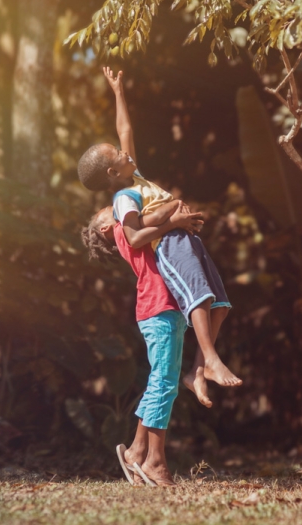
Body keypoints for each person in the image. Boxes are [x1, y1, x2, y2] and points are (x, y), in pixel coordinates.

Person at [78, 67, 241, 409]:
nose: (127, 154)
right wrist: (174, 221)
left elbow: (125, 129)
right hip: (170, 244)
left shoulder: (134, 177)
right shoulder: (123, 199)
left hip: (187, 239)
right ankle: (209, 359)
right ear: (112, 172)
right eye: (119, 156)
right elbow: (136, 238)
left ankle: (197, 370)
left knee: (220, 305)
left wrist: (119, 92)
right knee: (198, 297)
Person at [81, 204, 200, 486]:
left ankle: (136, 452)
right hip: (158, 309)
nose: (122, 208)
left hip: (166, 309)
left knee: (162, 382)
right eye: (111, 210)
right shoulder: (124, 231)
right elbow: (147, 232)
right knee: (163, 383)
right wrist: (175, 220)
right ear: (105, 228)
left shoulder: (127, 225)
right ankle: (154, 461)